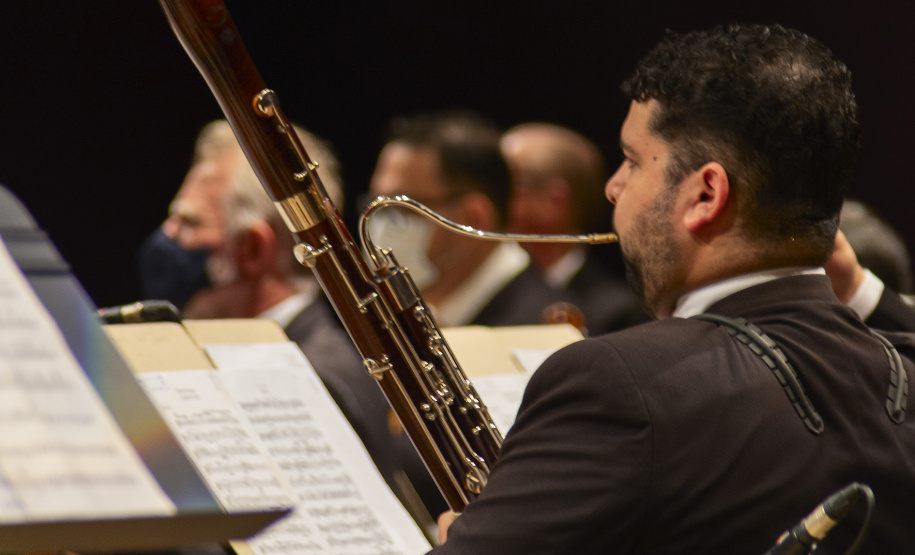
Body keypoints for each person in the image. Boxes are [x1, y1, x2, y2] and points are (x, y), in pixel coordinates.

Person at [432, 25, 915, 554]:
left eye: (633, 161)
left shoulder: (619, 384)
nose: (614, 187)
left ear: (706, 194)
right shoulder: (905, 372)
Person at [136, 120, 411, 507]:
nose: (168, 235)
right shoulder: (296, 353)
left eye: (190, 222)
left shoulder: (312, 377)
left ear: (253, 250)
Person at [368, 111, 578, 328]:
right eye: (376, 205)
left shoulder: (541, 328)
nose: (380, 225)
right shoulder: (396, 307)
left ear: (473, 218)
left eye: (402, 208)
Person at [500, 122, 648, 335]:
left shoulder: (615, 314)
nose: (490, 202)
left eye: (505, 189)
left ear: (554, 201)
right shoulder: (494, 292)